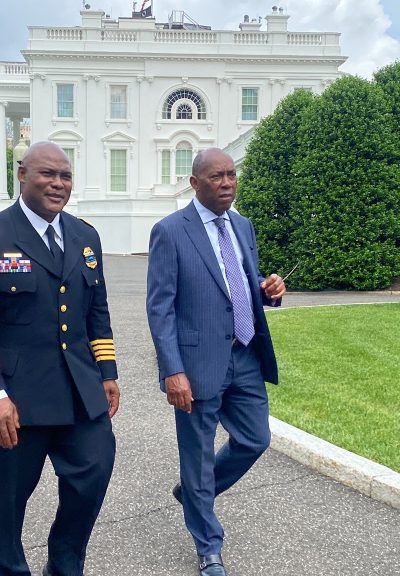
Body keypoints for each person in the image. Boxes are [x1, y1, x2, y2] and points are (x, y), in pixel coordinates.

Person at [0, 142, 120, 576]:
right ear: (22, 175)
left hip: (79, 391)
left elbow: (96, 310)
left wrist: (107, 372)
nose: (58, 184)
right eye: (47, 174)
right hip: (14, 400)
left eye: (65, 176)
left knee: (93, 473)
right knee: (6, 504)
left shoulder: (85, 236)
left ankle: (64, 566)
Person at [146, 148, 286, 576]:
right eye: (216, 177)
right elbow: (160, 308)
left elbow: (239, 282)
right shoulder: (170, 231)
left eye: (231, 175)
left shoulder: (242, 225)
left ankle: (194, 493)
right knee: (198, 457)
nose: (227, 183)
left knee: (255, 439)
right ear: (194, 183)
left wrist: (266, 290)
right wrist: (173, 370)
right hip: (196, 364)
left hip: (244, 354)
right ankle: (209, 547)